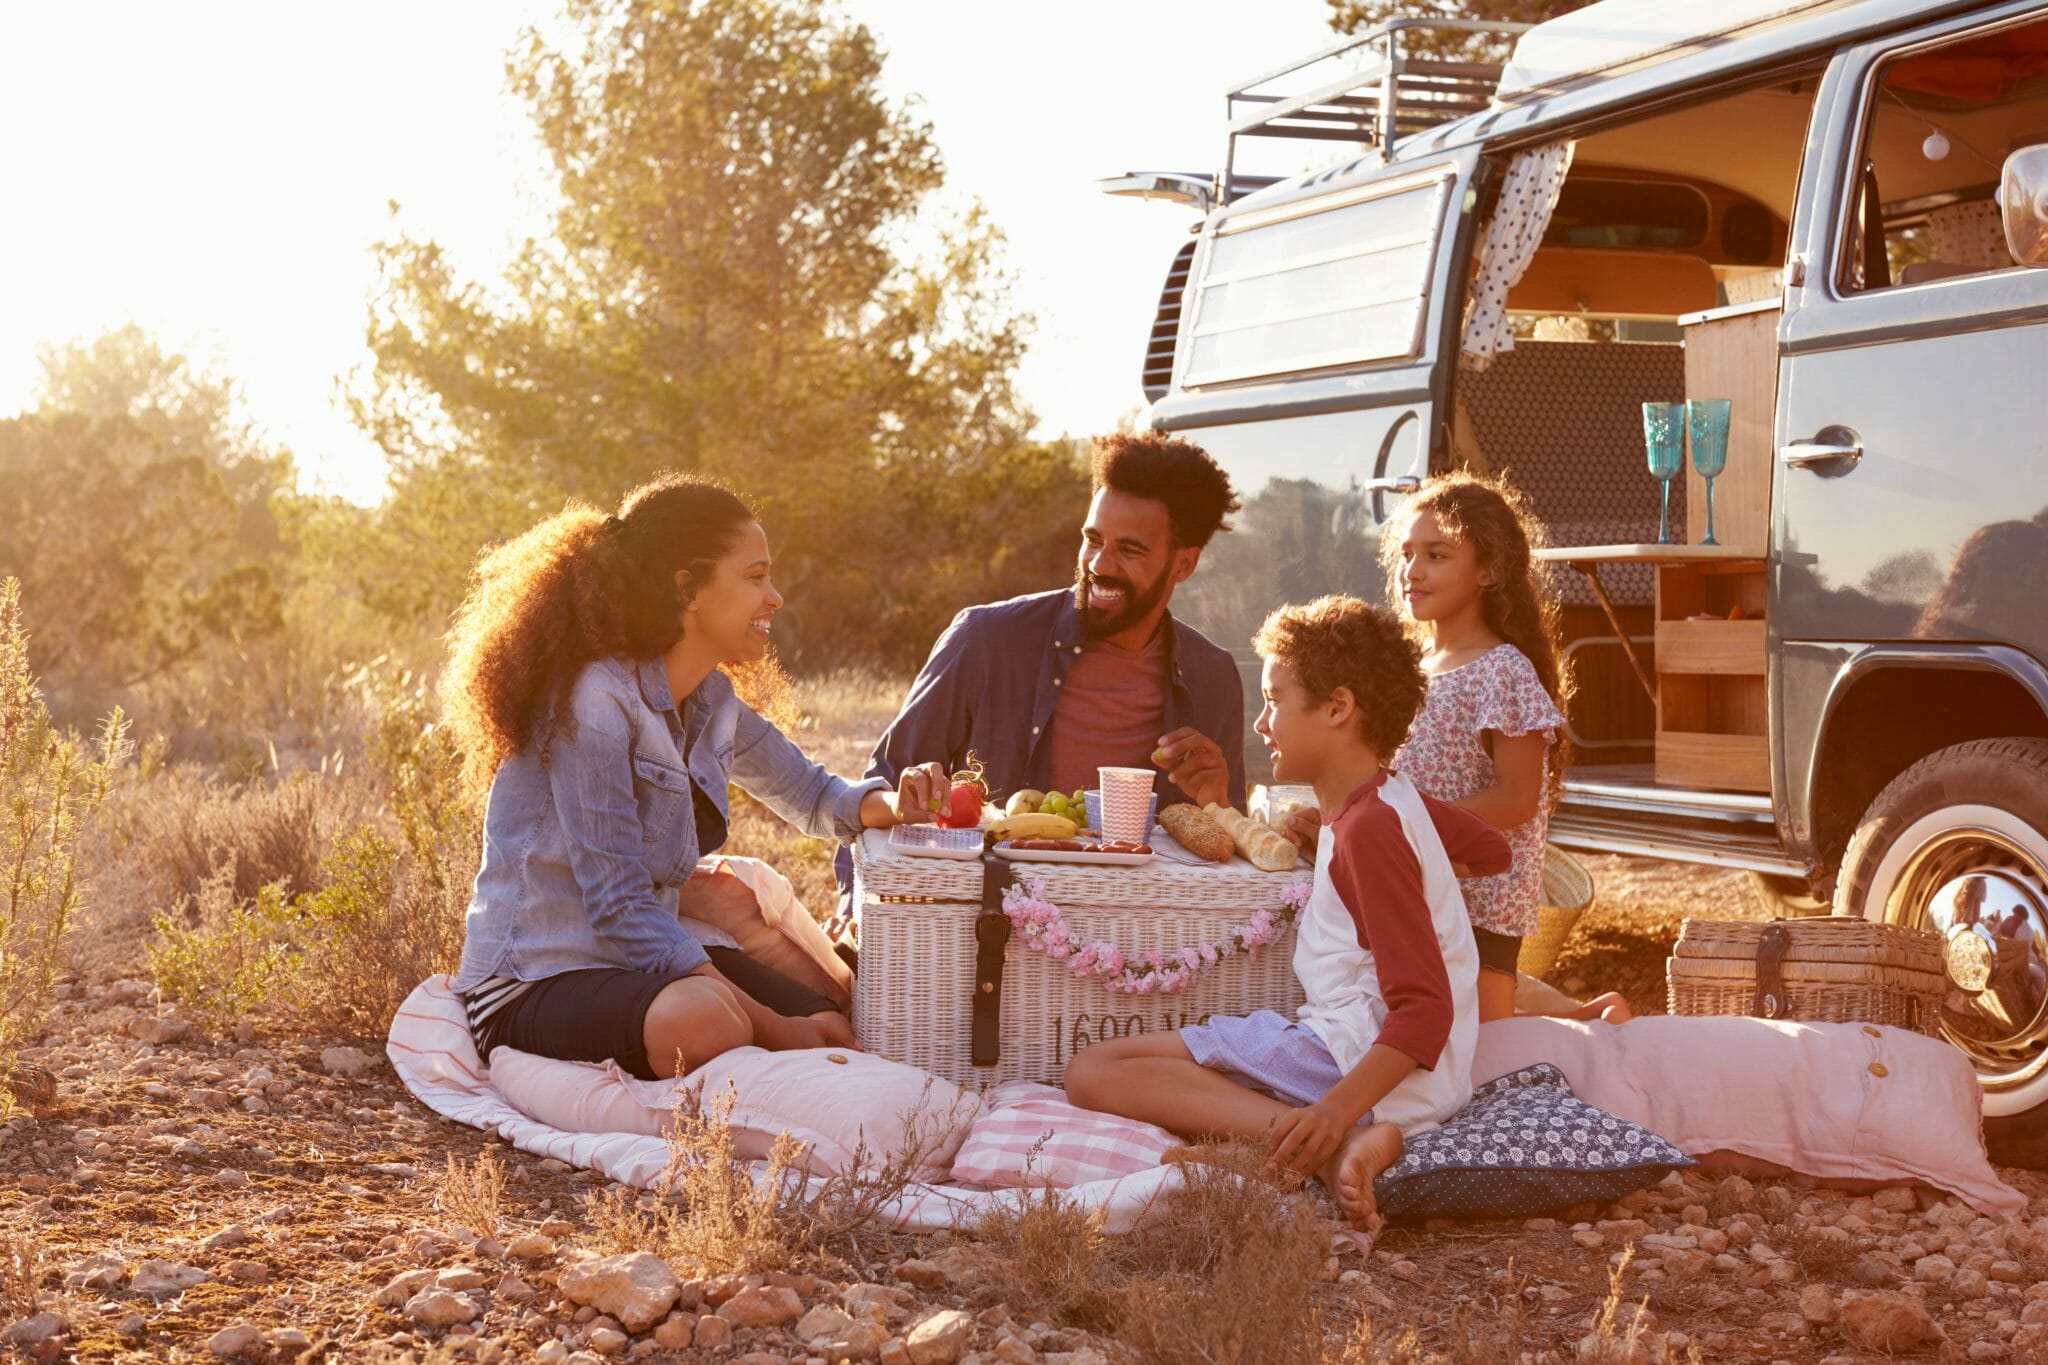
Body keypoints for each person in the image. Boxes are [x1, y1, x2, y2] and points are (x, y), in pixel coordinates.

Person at [443, 474, 949, 1081]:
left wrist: (903, 801)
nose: (775, 598)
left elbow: (816, 797)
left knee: (828, 1012)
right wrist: (778, 1031)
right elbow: (619, 903)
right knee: (709, 1022)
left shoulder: (712, 698)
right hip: (533, 977)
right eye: (755, 577)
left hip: (631, 967)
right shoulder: (595, 701)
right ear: (688, 588)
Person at [1063, 596, 1511, 1229]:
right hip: (1407, 1076)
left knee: (1093, 1072)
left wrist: (1331, 1114)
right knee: (1141, 1070)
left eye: (1274, 700)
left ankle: (1325, 1144)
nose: (1261, 723)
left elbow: (1425, 1011)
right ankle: (1324, 1131)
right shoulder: (1385, 802)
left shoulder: (1368, 832)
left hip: (1354, 1060)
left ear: (1337, 707)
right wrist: (1342, 835)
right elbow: (1490, 851)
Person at [831, 432, 1248, 931]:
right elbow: (877, 790)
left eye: (1129, 551)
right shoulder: (986, 639)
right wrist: (854, 913)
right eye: (1093, 539)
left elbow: (1230, 859)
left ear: (1184, 563)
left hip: (1137, 938)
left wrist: (1218, 802)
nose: (1099, 565)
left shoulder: (1214, 677)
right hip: (984, 928)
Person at [1381, 472, 1630, 1025]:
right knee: (1426, 1029)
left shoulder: (1503, 671)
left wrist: (1407, 823)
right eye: (1407, 554)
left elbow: (1518, 798)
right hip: (1416, 883)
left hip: (1480, 898)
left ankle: (1593, 1022)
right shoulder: (1410, 669)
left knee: (1486, 1048)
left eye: (1437, 555)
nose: (1412, 571)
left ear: (1489, 571)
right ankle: (1586, 1014)